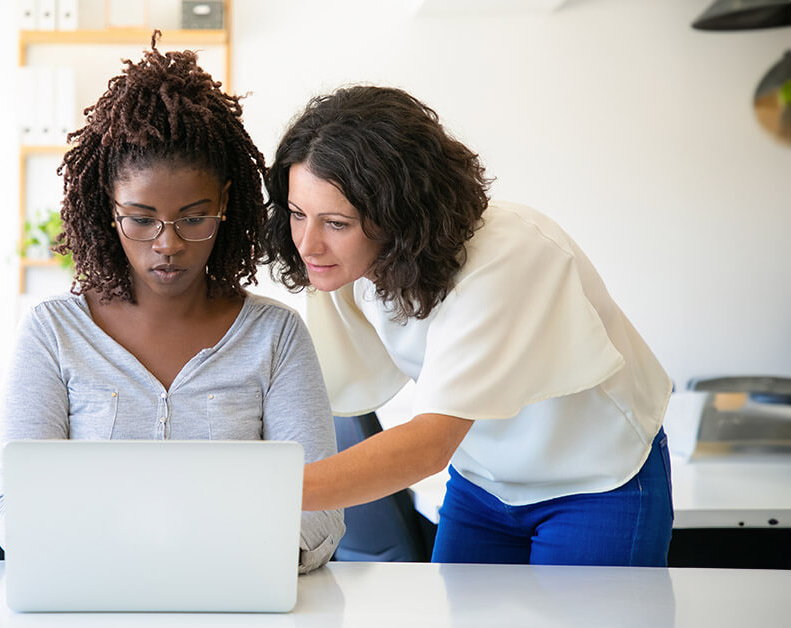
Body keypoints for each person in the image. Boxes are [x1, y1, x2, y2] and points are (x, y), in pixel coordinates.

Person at [262, 85, 673, 567]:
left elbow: (429, 444)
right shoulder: (346, 265)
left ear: (403, 214)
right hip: (482, 483)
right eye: (296, 214)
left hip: (596, 481)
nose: (307, 244)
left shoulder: (508, 255)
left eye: (336, 223)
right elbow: (330, 391)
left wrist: (263, 492)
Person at [0, 39, 344, 573]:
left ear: (224, 203)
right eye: (141, 218)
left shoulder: (277, 337)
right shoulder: (51, 333)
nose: (168, 244)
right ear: (110, 207)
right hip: (93, 598)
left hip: (233, 595)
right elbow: (16, 511)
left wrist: (208, 560)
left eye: (193, 218)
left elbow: (321, 513)